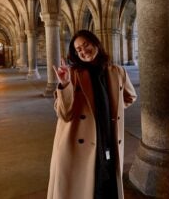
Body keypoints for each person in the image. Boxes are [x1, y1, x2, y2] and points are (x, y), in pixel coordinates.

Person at [47, 30, 137, 199]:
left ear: (96, 43)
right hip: (75, 144)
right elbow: (64, 114)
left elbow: (130, 96)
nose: (83, 51)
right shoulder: (72, 74)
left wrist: (111, 111)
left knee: (105, 182)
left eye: (86, 45)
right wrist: (65, 84)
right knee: (83, 188)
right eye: (78, 49)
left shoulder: (117, 71)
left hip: (106, 137)